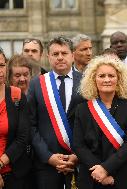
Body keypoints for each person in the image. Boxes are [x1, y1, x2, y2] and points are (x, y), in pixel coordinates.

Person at [73, 55, 127, 189]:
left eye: (111, 76)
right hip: (92, 177)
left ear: (119, 79)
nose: (107, 80)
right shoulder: (82, 109)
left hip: (125, 177)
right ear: (94, 79)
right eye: (101, 76)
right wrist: (99, 172)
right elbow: (78, 145)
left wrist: (105, 168)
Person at [27, 36, 84, 189]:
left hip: (81, 161)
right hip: (47, 164)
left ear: (72, 55)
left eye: (64, 53)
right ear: (48, 57)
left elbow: (92, 123)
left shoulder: (86, 82)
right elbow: (30, 125)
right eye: (55, 54)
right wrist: (48, 156)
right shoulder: (36, 84)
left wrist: (79, 155)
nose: (60, 57)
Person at [0, 48, 31, 188]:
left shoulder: (16, 95)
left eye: (1, 65)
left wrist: (0, 164)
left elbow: (22, 137)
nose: (0, 70)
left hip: (13, 172)